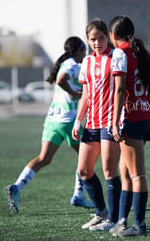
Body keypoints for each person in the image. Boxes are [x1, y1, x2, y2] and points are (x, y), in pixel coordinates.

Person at [5, 36, 94, 213]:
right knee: (87, 158)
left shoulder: (65, 64)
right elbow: (61, 80)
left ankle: (17, 187)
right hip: (68, 120)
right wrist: (75, 93)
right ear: (77, 50)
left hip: (53, 120)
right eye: (84, 49)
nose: (85, 53)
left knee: (43, 159)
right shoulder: (72, 65)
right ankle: (78, 195)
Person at [109, 15, 150, 237]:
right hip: (147, 117)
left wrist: (114, 121)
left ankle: (139, 225)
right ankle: (121, 221)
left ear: (113, 35)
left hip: (131, 117)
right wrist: (144, 108)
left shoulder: (121, 53)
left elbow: (119, 90)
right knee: (125, 170)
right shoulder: (143, 52)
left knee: (137, 175)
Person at [72, 19, 121, 232]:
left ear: (107, 37)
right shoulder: (87, 62)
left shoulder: (116, 57)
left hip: (111, 122)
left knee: (109, 170)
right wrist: (78, 120)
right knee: (84, 170)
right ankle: (102, 212)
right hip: (91, 123)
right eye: (93, 39)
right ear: (88, 40)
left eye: (101, 38)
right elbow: (85, 95)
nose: (97, 42)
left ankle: (116, 218)